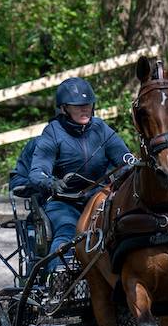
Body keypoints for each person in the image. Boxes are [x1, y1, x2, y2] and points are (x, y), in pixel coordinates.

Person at [27, 76, 132, 272]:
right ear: (64, 108)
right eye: (78, 106)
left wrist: (130, 169)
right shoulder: (53, 132)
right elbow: (37, 172)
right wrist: (51, 183)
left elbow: (126, 161)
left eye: (88, 105)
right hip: (63, 202)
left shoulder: (101, 129)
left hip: (99, 199)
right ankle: (60, 275)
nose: (85, 110)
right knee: (67, 231)